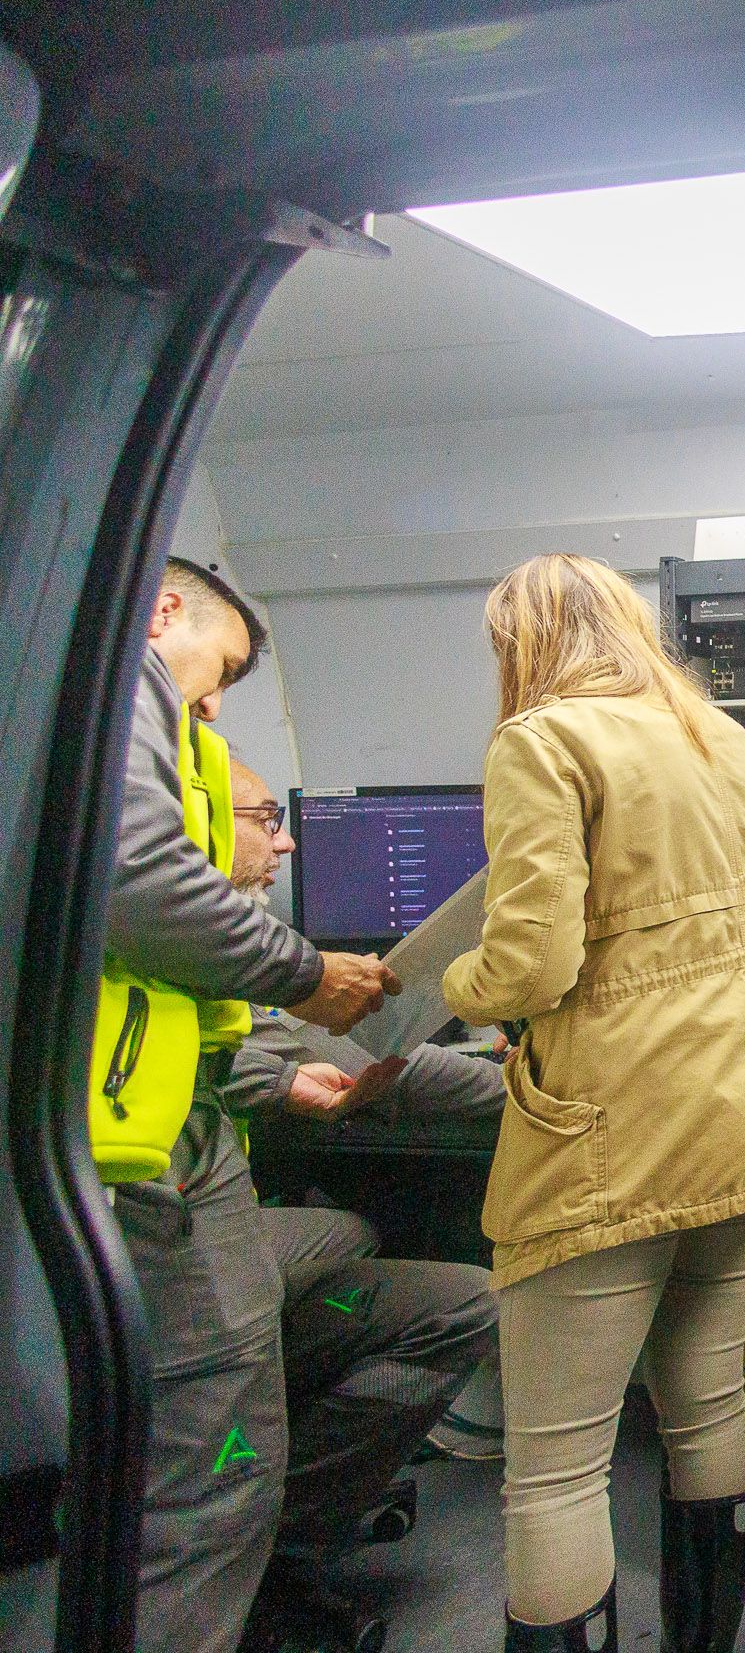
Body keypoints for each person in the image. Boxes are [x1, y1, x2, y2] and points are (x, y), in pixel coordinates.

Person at [100, 558, 498, 1653]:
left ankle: (260, 1541)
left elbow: (208, 1045)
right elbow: (146, 882)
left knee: (356, 1237)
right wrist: (311, 978)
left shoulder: (179, 951)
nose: (210, 705)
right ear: (163, 610)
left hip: (178, 1165)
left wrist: (279, 1079)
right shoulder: (119, 708)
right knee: (218, 1465)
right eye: (263, 819)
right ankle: (237, 1548)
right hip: (154, 1185)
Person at [442, 552, 745, 1653]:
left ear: (523, 641)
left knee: (556, 1469)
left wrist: (452, 984)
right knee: (707, 1405)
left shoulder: (543, 741)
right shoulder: (725, 740)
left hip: (618, 1128)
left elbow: (531, 966)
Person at [216, 760, 507, 1129]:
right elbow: (376, 1062)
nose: (286, 842)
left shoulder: (209, 950)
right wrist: (527, 1083)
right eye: (264, 819)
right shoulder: (224, 959)